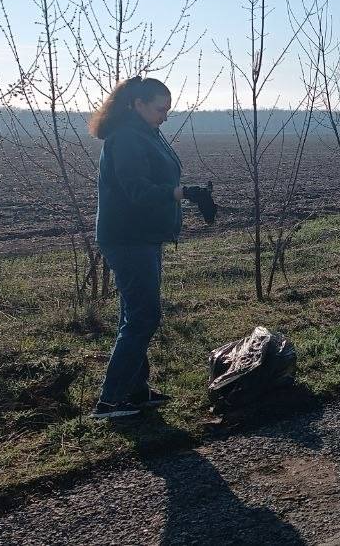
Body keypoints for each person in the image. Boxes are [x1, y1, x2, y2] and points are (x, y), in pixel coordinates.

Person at [87, 76, 217, 420]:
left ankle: (134, 389)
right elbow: (138, 191)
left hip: (141, 236)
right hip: (128, 238)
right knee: (144, 316)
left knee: (134, 314)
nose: (164, 115)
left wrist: (184, 192)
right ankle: (110, 401)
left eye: (168, 111)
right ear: (138, 104)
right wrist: (183, 193)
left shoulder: (145, 131)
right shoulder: (127, 137)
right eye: (160, 108)